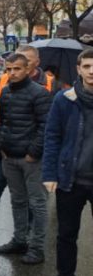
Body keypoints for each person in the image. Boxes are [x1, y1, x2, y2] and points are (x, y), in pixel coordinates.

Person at [0, 43, 59, 235]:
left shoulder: (49, 83)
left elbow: (49, 123)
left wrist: (35, 151)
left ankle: (30, 234)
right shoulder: (5, 81)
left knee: (33, 196)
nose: (15, 69)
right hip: (5, 148)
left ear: (34, 63)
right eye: (12, 66)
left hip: (30, 152)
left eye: (23, 62)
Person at [0, 53, 52, 264]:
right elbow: (2, 122)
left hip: (31, 160)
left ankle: (37, 248)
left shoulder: (40, 94)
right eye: (8, 69)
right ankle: (19, 240)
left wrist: (33, 153)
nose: (12, 73)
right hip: (9, 157)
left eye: (16, 69)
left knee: (38, 203)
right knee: (17, 201)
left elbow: (46, 127)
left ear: (27, 69)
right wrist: (1, 147)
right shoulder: (6, 92)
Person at [43, 48, 93, 276]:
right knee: (66, 235)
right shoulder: (64, 99)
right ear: (79, 69)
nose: (92, 71)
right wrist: (49, 174)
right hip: (70, 180)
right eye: (87, 66)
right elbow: (52, 136)